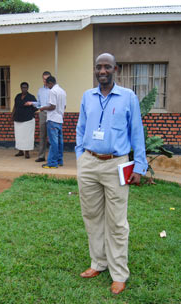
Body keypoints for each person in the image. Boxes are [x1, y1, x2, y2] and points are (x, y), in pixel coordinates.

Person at [75, 53, 148, 295]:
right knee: (92, 216)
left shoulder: (128, 97)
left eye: (107, 66)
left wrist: (139, 166)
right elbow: (81, 129)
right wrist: (80, 158)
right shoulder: (88, 96)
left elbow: (137, 132)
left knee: (117, 221)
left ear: (115, 69)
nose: (102, 71)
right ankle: (98, 262)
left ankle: (119, 273)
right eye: (98, 67)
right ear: (95, 70)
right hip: (89, 163)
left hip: (116, 164)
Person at [39, 76, 66, 169]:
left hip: (52, 119)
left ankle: (52, 163)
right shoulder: (62, 91)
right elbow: (64, 106)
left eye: (47, 84)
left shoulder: (52, 91)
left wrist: (43, 108)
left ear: (50, 83)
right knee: (59, 142)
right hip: (59, 119)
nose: (46, 86)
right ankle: (59, 160)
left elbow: (52, 106)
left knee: (53, 142)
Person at [11, 82, 37, 159]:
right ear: (21, 88)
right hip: (18, 119)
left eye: (25, 87)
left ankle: (27, 152)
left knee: (27, 136)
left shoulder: (31, 97)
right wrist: (12, 115)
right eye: (23, 87)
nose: (24, 89)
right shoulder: (18, 96)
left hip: (28, 120)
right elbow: (15, 106)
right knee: (19, 136)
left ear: (28, 88)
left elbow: (36, 107)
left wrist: (30, 109)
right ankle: (20, 151)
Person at [34, 71, 51, 162]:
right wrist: (32, 104)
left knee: (52, 136)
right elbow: (39, 103)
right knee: (42, 135)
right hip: (43, 114)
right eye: (44, 79)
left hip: (52, 113)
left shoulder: (53, 89)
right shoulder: (40, 90)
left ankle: (53, 157)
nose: (45, 81)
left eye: (47, 79)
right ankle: (41, 156)